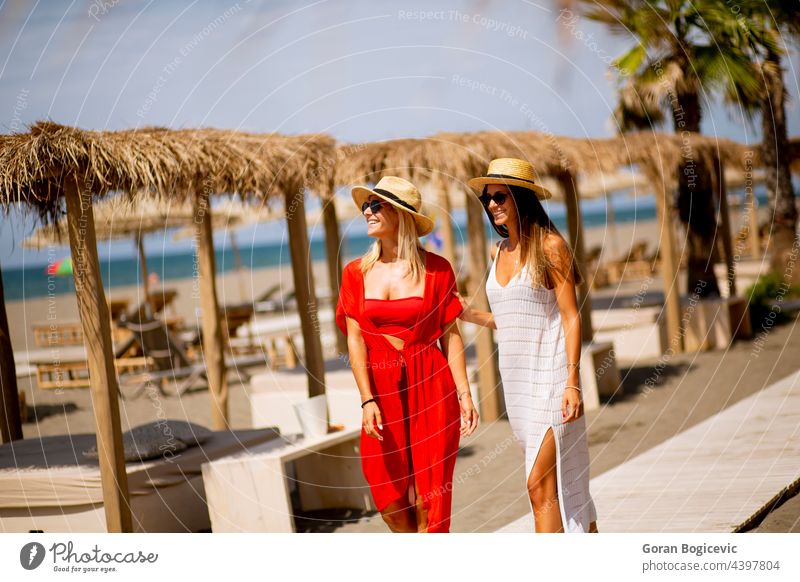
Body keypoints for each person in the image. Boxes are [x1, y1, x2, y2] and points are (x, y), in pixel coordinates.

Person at [457, 158, 598, 533]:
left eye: (499, 195)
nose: (491, 205)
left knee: (538, 485)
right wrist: (471, 315)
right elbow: (511, 320)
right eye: (487, 198)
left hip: (552, 379)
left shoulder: (551, 247)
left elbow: (570, 316)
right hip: (517, 388)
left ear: (521, 196)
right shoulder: (497, 252)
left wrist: (572, 381)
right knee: (554, 486)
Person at [335, 175, 479, 533]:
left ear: (401, 215)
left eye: (376, 205)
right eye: (366, 205)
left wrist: (464, 393)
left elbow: (451, 335)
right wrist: (367, 399)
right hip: (380, 391)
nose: (367, 211)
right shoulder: (354, 273)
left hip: (431, 386)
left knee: (428, 501)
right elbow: (355, 340)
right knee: (390, 501)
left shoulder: (437, 269)